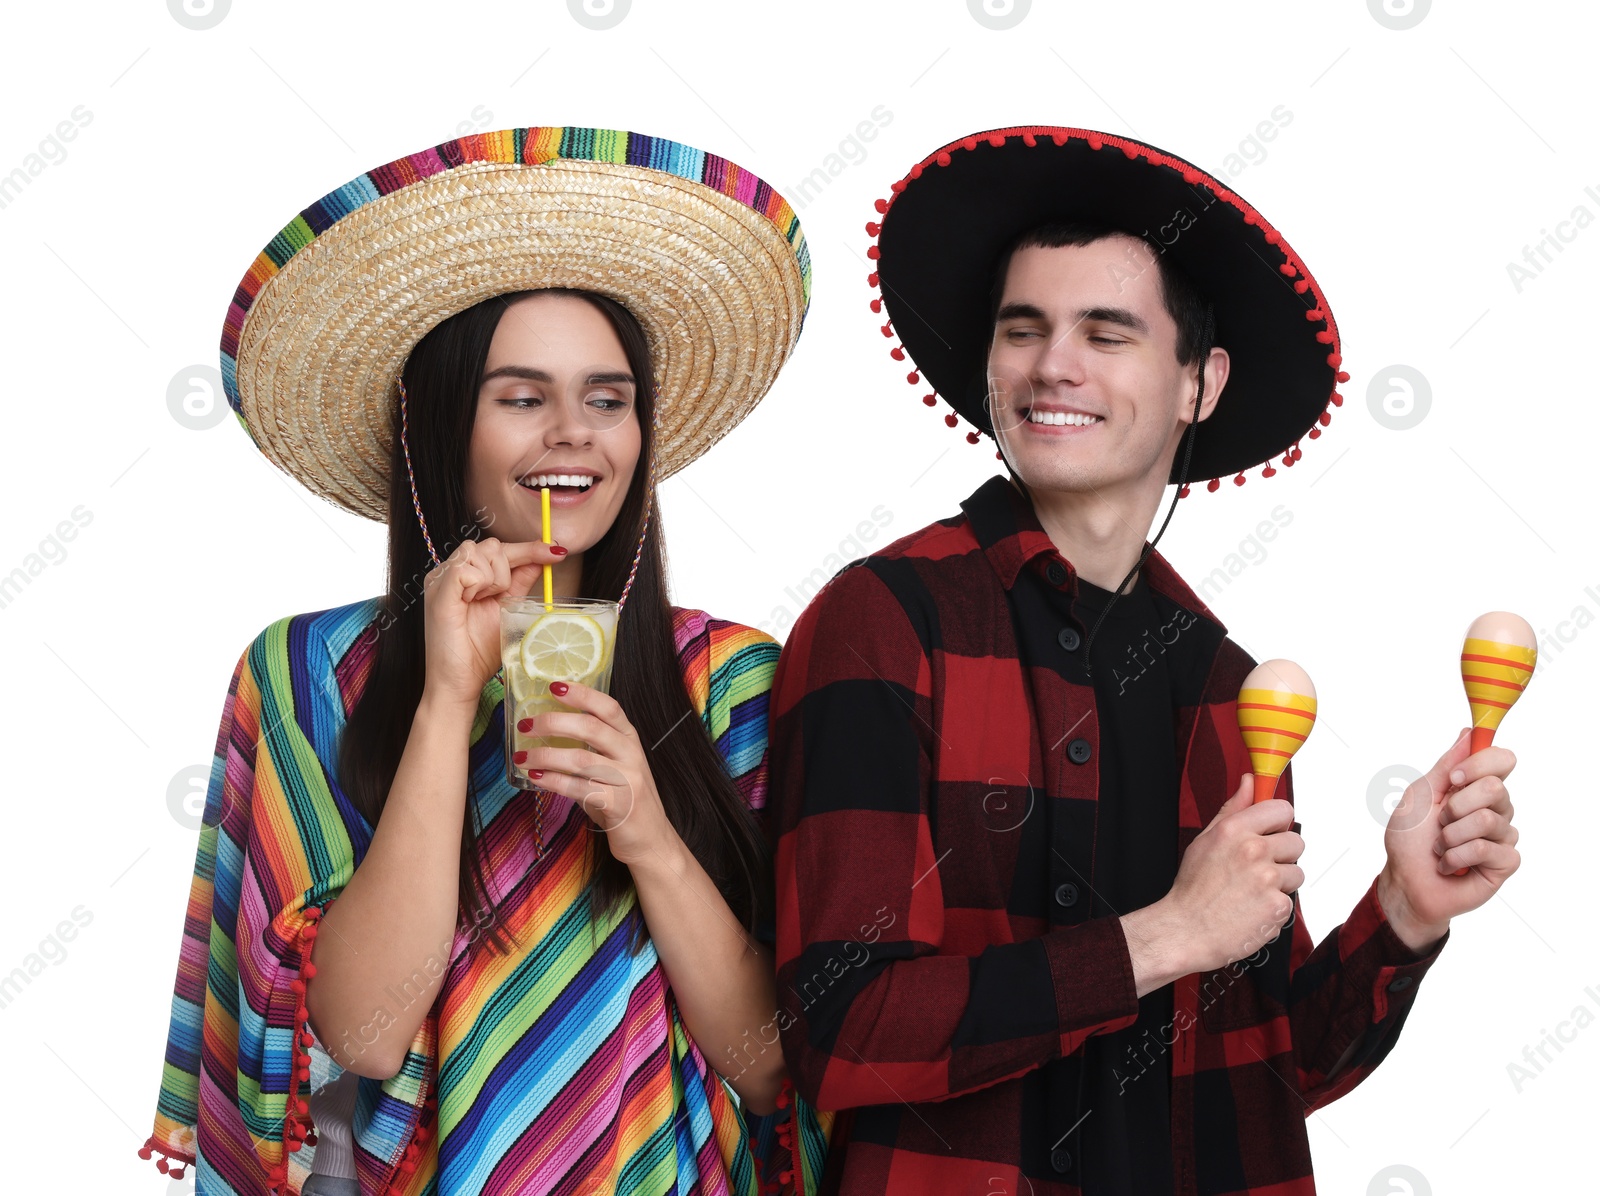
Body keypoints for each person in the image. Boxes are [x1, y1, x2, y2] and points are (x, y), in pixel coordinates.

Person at [767, 126, 1522, 1195]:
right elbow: (839, 1028)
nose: (1051, 364)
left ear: (1196, 384)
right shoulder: (887, 621)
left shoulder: (1230, 689)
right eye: (1022, 328)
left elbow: (1273, 1067)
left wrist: (1405, 906)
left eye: (1105, 331)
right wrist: (1159, 937)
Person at [139, 126, 829, 1196]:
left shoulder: (733, 681)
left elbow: (772, 1062)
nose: (574, 435)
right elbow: (363, 1034)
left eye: (608, 398)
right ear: (443, 426)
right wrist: (445, 702)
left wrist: (645, 830)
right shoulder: (308, 672)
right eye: (521, 397)